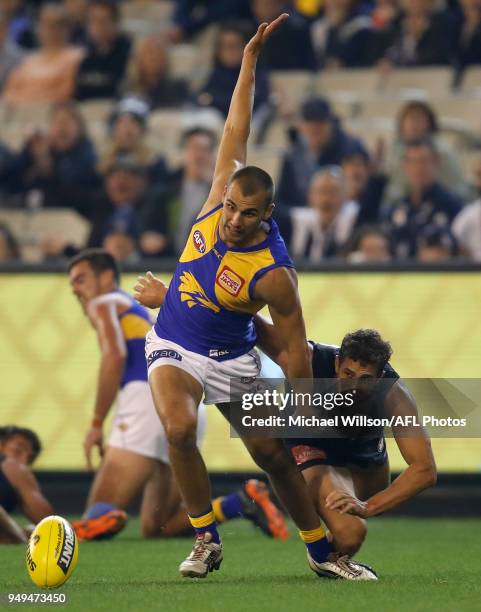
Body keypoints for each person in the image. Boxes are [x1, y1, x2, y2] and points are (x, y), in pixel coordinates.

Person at [137, 14, 376, 581]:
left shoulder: (273, 275)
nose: (233, 220)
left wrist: (302, 417)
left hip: (236, 361)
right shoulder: (220, 192)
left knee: (273, 458)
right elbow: (235, 127)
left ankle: (321, 553)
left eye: (248, 214)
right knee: (176, 428)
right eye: (230, 208)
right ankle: (205, 540)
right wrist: (248, 60)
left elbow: (293, 351)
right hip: (173, 345)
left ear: (267, 214)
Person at [68, 249, 286, 541]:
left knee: (97, 517)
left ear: (107, 277)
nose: (75, 290)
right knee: (156, 527)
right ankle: (237, 502)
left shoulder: (105, 302)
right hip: (183, 399)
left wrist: (96, 423)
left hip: (148, 398)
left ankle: (30, 537)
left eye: (80, 280)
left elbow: (114, 355)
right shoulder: (145, 310)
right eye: (72, 284)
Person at [254, 324, 437, 560]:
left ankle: (326, 551)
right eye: (348, 374)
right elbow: (254, 324)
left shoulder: (394, 394)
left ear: (380, 378)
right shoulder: (308, 359)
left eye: (366, 379)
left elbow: (425, 469)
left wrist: (369, 506)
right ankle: (319, 540)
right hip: (312, 446)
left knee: (349, 535)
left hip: (362, 455)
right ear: (337, 363)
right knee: (351, 534)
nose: (353, 386)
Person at [0, 425, 123, 543]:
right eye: (18, 451)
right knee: (18, 538)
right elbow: (52, 526)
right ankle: (78, 531)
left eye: (30, 458)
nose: (23, 461)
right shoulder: (13, 466)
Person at [277, 97, 367, 208]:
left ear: (330, 125)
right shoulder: (294, 155)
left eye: (319, 128)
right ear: (301, 127)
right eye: (311, 130)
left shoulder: (351, 151)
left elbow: (360, 196)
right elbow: (281, 198)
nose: (315, 133)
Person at [383, 139, 463, 258]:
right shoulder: (395, 208)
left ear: (436, 163)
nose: (418, 168)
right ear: (405, 166)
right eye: (413, 162)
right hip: (397, 274)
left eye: (424, 161)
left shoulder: (453, 207)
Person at [2, 3, 83, 104]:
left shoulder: (77, 57)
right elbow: (8, 94)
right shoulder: (28, 60)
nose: (52, 30)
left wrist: (28, 100)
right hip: (20, 115)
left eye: (57, 25)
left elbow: (64, 93)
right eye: (46, 24)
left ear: (68, 28)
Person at [281, 167, 360, 261]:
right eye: (321, 192)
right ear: (310, 197)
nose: (326, 199)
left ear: (345, 196)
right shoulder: (295, 222)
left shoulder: (356, 221)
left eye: (333, 192)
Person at [74, 0, 131, 101]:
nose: (98, 26)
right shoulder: (84, 58)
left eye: (103, 20)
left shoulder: (129, 54)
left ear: (116, 22)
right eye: (93, 20)